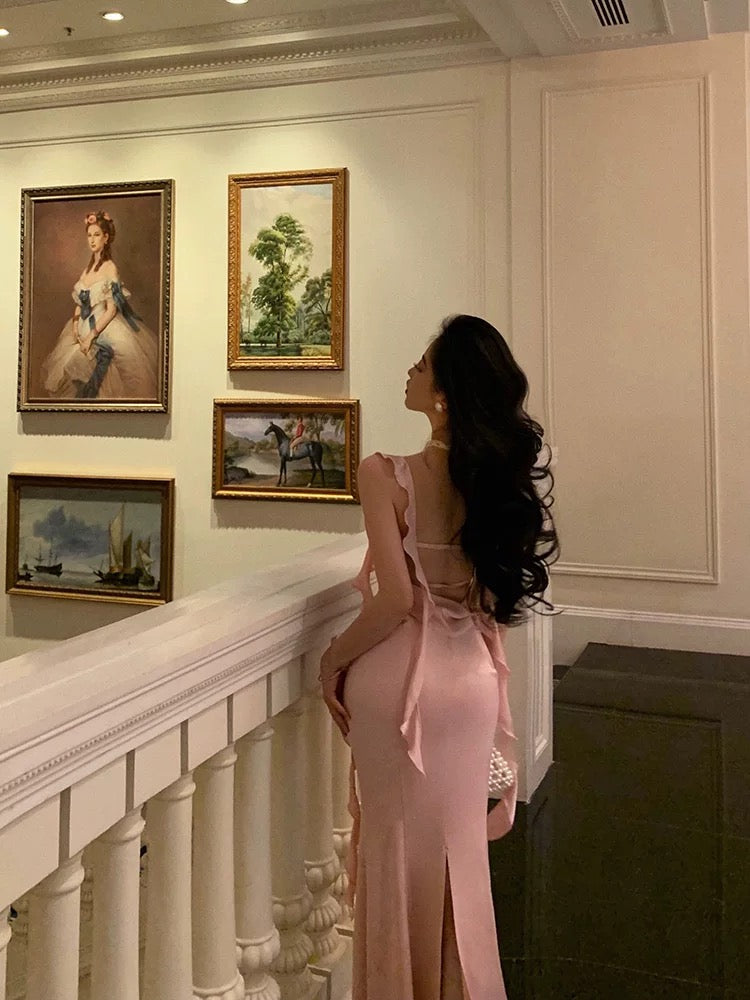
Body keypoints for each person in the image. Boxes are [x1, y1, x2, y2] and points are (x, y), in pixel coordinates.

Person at [319, 314, 560, 1000]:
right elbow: (489, 603)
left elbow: (397, 600)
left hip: (401, 692)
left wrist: (332, 660)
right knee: (459, 855)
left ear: (445, 395)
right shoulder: (493, 484)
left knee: (394, 851)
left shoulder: (384, 474)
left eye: (421, 366)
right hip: (472, 682)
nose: (410, 372)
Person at [41, 210, 159, 400]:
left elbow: (111, 310)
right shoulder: (86, 271)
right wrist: (75, 327)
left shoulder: (110, 268)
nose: (92, 240)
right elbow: (79, 303)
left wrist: (91, 336)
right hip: (82, 328)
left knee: (113, 374)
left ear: (106, 238)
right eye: (89, 235)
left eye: (96, 235)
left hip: (104, 327)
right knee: (69, 369)